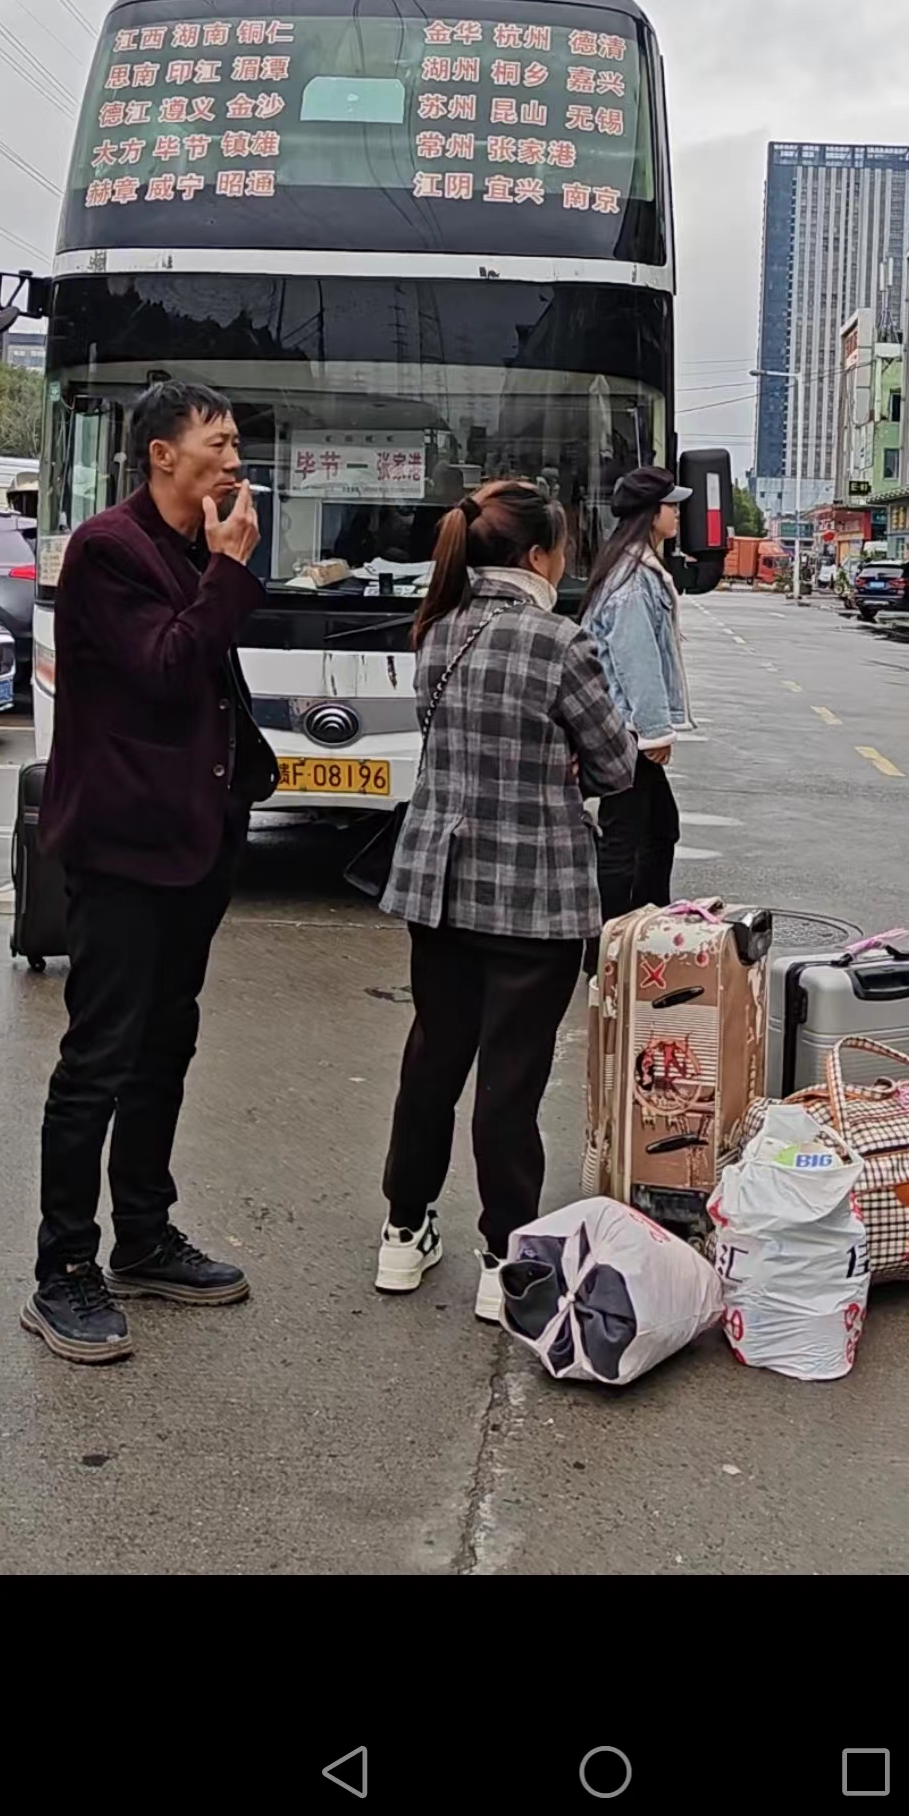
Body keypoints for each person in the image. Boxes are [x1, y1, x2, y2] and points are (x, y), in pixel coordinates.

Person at [24, 381, 277, 1365]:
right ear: (161, 454)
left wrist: (219, 569)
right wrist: (228, 572)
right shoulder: (110, 551)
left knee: (165, 1049)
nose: (232, 457)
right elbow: (169, 667)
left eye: (233, 439)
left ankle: (144, 1235)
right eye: (217, 441)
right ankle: (63, 1271)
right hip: (122, 849)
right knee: (98, 1060)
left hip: (194, 843)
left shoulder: (189, 547)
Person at [377, 480, 635, 1323]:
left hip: (441, 887)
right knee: (510, 1081)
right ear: (537, 557)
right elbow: (616, 766)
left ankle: (402, 1233)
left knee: (432, 1062)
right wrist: (559, 760)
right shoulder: (560, 643)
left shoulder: (437, 631)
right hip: (535, 897)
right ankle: (503, 1255)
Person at [579, 467, 693, 967]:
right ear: (651, 514)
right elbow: (635, 658)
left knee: (656, 826)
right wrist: (653, 732)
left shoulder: (633, 568)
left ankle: (639, 929)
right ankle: (612, 946)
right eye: (672, 506)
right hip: (626, 729)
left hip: (623, 727)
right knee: (628, 836)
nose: (678, 513)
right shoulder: (633, 580)